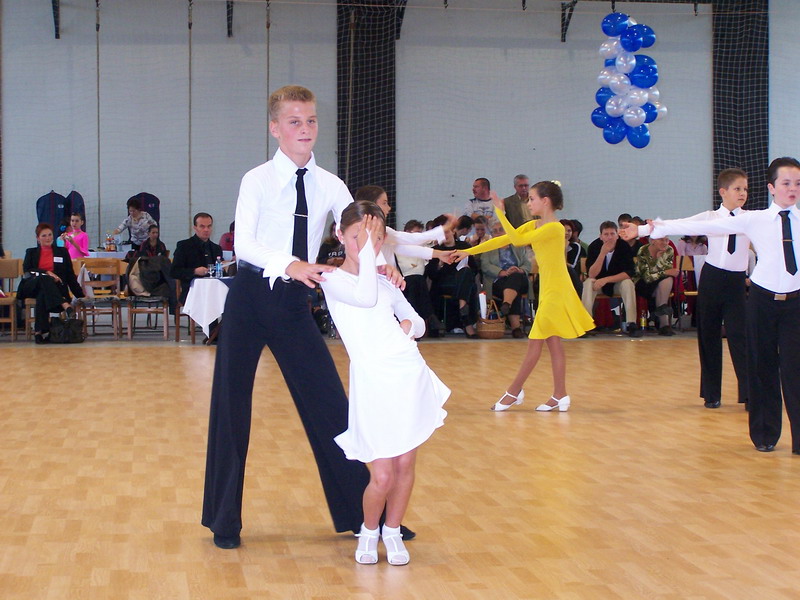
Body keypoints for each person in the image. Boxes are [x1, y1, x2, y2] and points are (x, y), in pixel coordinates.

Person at [201, 85, 410, 550]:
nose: (305, 129)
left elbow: (363, 228)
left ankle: (366, 516)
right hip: (250, 297)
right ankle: (223, 520)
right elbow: (245, 243)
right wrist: (290, 263)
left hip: (294, 303)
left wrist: (381, 262)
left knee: (330, 406)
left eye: (311, 120)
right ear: (275, 128)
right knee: (231, 408)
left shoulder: (330, 184)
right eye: (294, 121)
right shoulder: (257, 180)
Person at [620, 157, 800, 453]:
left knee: (791, 367)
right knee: (754, 362)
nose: (792, 189)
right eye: (786, 183)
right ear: (772, 187)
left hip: (787, 299)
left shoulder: (782, 218)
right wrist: (643, 230)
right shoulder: (750, 220)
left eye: (797, 183)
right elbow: (695, 224)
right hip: (752, 294)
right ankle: (760, 431)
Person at [321, 202, 448, 565]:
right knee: (381, 474)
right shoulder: (332, 280)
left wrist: (408, 327)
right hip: (372, 382)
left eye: (376, 238)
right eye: (358, 237)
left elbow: (417, 322)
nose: (367, 245)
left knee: (405, 466)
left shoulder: (384, 281)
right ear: (339, 235)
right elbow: (364, 297)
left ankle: (392, 531)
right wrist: (375, 261)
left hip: (407, 374)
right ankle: (368, 530)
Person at [454, 182, 594, 412]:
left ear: (545, 201)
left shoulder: (555, 228)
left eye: (532, 199)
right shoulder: (535, 225)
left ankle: (514, 392)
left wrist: (500, 212)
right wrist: (467, 251)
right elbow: (505, 239)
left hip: (557, 291)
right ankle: (560, 395)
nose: (528, 203)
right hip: (547, 289)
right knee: (553, 342)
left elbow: (518, 241)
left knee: (535, 342)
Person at [17, 223, 83, 343]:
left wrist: (80, 295)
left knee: (42, 294)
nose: (48, 238)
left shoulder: (62, 252)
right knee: (45, 279)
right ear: (38, 238)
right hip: (31, 285)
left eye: (50, 235)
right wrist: (47, 272)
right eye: (44, 236)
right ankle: (64, 304)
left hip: (52, 289)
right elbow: (28, 271)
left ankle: (39, 332)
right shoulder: (31, 252)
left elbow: (70, 275)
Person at [581, 221, 640, 337]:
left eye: (612, 234)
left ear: (617, 235)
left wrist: (606, 279)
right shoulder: (594, 246)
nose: (609, 237)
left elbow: (629, 273)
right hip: (597, 284)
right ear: (601, 236)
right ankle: (585, 324)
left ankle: (631, 323)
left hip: (616, 283)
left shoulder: (624, 246)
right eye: (606, 234)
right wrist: (602, 253)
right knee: (588, 283)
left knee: (628, 283)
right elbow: (592, 274)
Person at [479, 219, 531, 338]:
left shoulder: (517, 245)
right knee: (514, 289)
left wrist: (519, 269)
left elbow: (527, 264)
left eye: (501, 229)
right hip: (498, 281)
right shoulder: (488, 247)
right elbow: (485, 265)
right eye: (495, 231)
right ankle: (516, 327)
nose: (498, 233)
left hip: (520, 277)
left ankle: (506, 304)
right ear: (492, 234)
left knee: (515, 277)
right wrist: (502, 272)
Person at [170, 213, 223, 304]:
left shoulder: (216, 248)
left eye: (209, 226)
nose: (206, 230)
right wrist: (194, 271)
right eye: (202, 226)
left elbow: (221, 273)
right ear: (195, 228)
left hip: (213, 290)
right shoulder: (184, 246)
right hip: (192, 291)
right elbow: (174, 272)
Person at [634, 237, 678, 335]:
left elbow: (666, 272)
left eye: (667, 240)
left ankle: (663, 321)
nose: (665, 243)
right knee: (664, 281)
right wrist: (658, 262)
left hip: (659, 281)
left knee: (667, 280)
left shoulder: (669, 250)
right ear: (653, 240)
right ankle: (663, 323)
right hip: (643, 283)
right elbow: (647, 276)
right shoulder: (643, 250)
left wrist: (661, 266)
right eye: (661, 240)